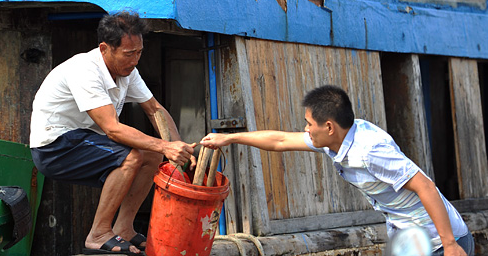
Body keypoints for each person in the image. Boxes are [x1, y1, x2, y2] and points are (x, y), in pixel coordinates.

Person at [201, 85, 473, 256]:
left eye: (309, 124)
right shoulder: (336, 140)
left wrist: (450, 244)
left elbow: (425, 186)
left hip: (441, 241)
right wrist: (230, 138)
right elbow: (280, 140)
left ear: (329, 126)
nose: (306, 129)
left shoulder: (370, 150)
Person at [30, 12, 196, 255]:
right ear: (105, 48)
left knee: (151, 156)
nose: (135, 60)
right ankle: (98, 234)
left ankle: (124, 228)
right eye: (129, 54)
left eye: (139, 52)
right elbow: (112, 129)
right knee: (132, 156)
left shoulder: (128, 71)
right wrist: (164, 146)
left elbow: (155, 109)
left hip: (83, 140)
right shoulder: (85, 70)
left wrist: (178, 149)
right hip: (54, 146)